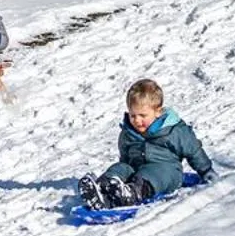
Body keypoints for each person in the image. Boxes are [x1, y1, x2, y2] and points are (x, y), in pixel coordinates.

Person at [78, 78, 216, 209]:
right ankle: (103, 188)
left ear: (158, 112)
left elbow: (194, 151)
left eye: (142, 116)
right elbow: (125, 157)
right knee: (121, 167)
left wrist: (206, 171)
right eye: (133, 115)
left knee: (154, 173)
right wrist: (122, 172)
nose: (137, 121)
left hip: (167, 172)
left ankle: (131, 193)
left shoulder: (173, 131)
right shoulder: (128, 133)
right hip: (136, 169)